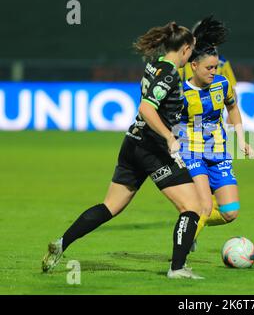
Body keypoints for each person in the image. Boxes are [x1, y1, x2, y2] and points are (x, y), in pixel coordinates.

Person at [42, 21, 205, 279]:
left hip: (132, 143)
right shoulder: (170, 73)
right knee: (192, 207)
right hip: (152, 149)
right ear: (184, 49)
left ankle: (62, 243)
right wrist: (168, 137)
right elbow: (146, 108)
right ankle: (177, 268)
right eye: (191, 50)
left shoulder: (156, 64)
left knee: (110, 206)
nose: (191, 56)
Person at [176, 16, 253, 250]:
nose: (214, 71)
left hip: (218, 152)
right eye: (209, 68)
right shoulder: (180, 92)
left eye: (216, 67)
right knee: (204, 206)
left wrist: (242, 139)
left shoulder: (222, 84)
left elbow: (233, 107)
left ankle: (191, 223)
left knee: (231, 213)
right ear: (194, 65)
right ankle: (183, 249)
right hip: (191, 152)